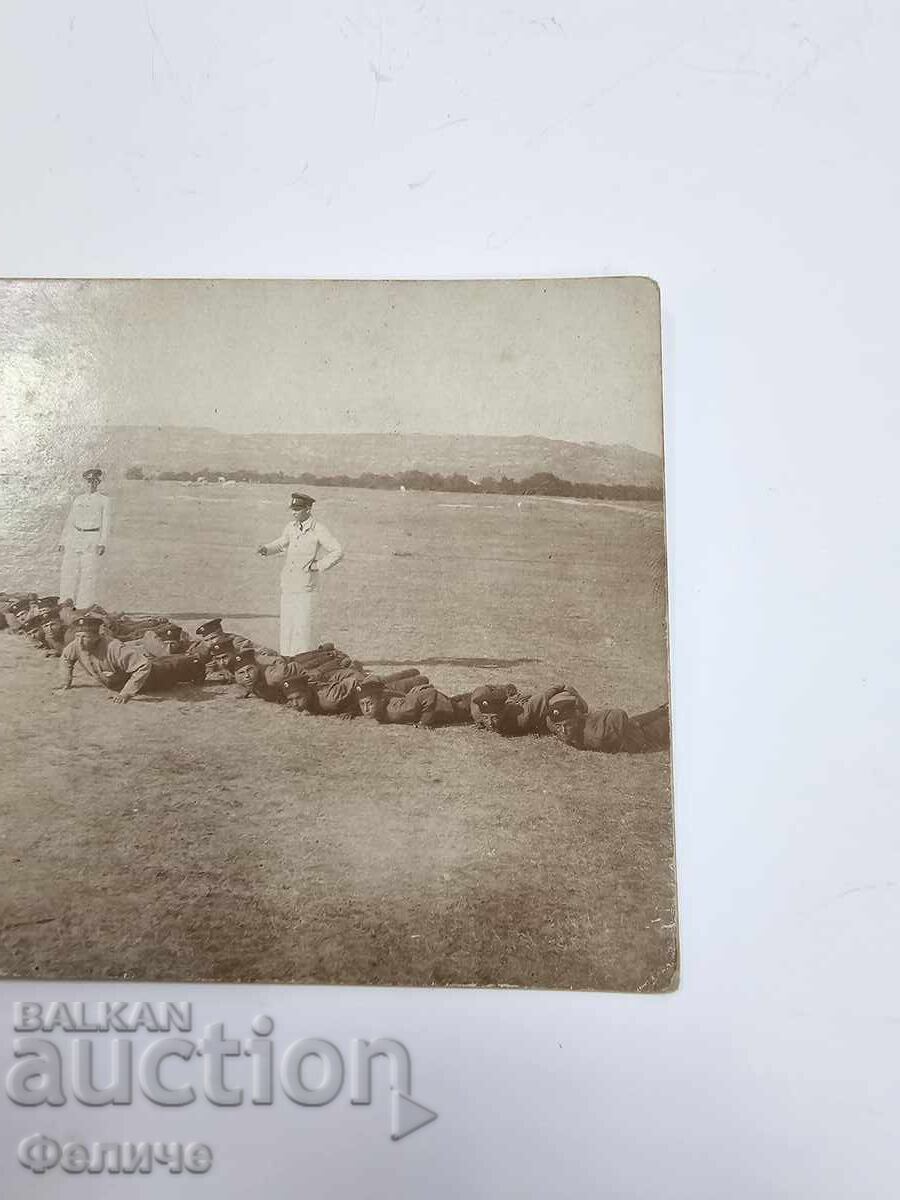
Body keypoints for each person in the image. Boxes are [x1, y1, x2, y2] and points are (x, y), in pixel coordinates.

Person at [257, 493, 343, 655]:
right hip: (289, 583)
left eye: (298, 509)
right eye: (292, 509)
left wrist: (318, 565)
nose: (294, 512)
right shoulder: (291, 527)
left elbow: (337, 551)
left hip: (306, 586)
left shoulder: (318, 529)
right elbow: (282, 542)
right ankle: (287, 657)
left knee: (303, 626)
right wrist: (267, 549)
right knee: (288, 624)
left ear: (308, 509)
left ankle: (303, 660)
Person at [55, 614, 203, 703]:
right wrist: (65, 682)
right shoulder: (76, 645)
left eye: (85, 637)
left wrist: (126, 692)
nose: (80, 641)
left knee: (170, 668)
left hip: (148, 678)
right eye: (78, 637)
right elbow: (66, 659)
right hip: (124, 677)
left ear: (96, 636)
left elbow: (143, 667)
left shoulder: (113, 647)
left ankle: (196, 662)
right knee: (158, 661)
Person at [58, 468, 112, 609]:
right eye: (88, 481)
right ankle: (66, 601)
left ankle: (83, 606)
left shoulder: (104, 500)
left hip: (92, 538)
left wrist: (102, 543)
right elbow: (70, 521)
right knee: (68, 570)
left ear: (98, 482)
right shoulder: (78, 499)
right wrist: (63, 541)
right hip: (75, 537)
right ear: (85, 482)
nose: (91, 484)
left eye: (94, 481)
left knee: (88, 573)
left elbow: (106, 523)